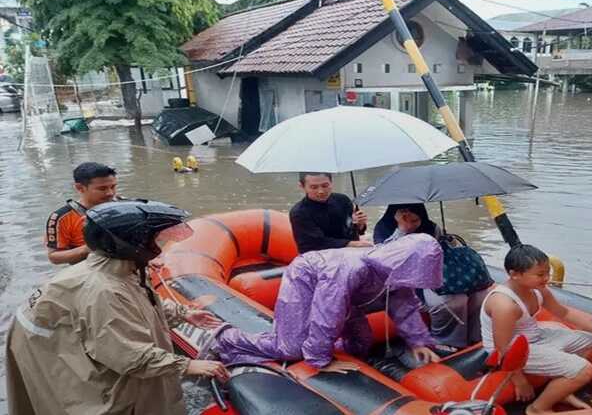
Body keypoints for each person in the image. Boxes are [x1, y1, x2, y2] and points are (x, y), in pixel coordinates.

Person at [7, 200, 230, 415]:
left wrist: (183, 314)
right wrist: (187, 365)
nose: (160, 247)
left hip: (62, 343)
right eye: (156, 240)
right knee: (107, 401)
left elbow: (138, 302)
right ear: (132, 243)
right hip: (57, 357)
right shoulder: (104, 290)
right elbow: (128, 356)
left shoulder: (114, 267)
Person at [205, 233, 443, 372]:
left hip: (348, 292)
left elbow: (405, 306)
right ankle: (226, 338)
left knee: (362, 342)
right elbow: (328, 311)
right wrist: (320, 360)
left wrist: (418, 341)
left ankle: (321, 347)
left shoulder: (397, 273)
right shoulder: (351, 269)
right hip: (307, 276)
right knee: (290, 348)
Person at [482, 244, 592, 414]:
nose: (547, 278)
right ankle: (537, 408)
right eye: (540, 274)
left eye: (547, 273)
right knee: (583, 370)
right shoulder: (505, 305)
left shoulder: (538, 290)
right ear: (514, 274)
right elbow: (502, 349)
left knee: (590, 341)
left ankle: (563, 390)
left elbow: (564, 312)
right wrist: (519, 381)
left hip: (533, 337)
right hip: (512, 349)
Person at [374, 203, 490, 349]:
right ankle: (446, 342)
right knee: (451, 301)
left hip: (442, 274)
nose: (408, 214)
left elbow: (445, 253)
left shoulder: (431, 227)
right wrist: (403, 229)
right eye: (403, 211)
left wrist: (448, 241)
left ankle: (476, 339)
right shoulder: (384, 228)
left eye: (412, 210)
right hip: (409, 283)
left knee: (480, 295)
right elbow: (383, 260)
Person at [46, 162, 117, 265]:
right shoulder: (61, 217)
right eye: (102, 189)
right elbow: (54, 257)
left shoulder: (127, 206)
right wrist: (91, 247)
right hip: (89, 270)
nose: (110, 193)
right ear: (80, 188)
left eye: (113, 187)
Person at [289, 172, 372, 254]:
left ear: (331, 183)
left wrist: (360, 224)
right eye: (314, 187)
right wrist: (350, 244)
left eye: (325, 186)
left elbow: (354, 230)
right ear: (302, 186)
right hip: (319, 257)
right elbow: (313, 244)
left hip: (351, 252)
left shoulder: (342, 200)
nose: (321, 191)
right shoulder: (299, 212)